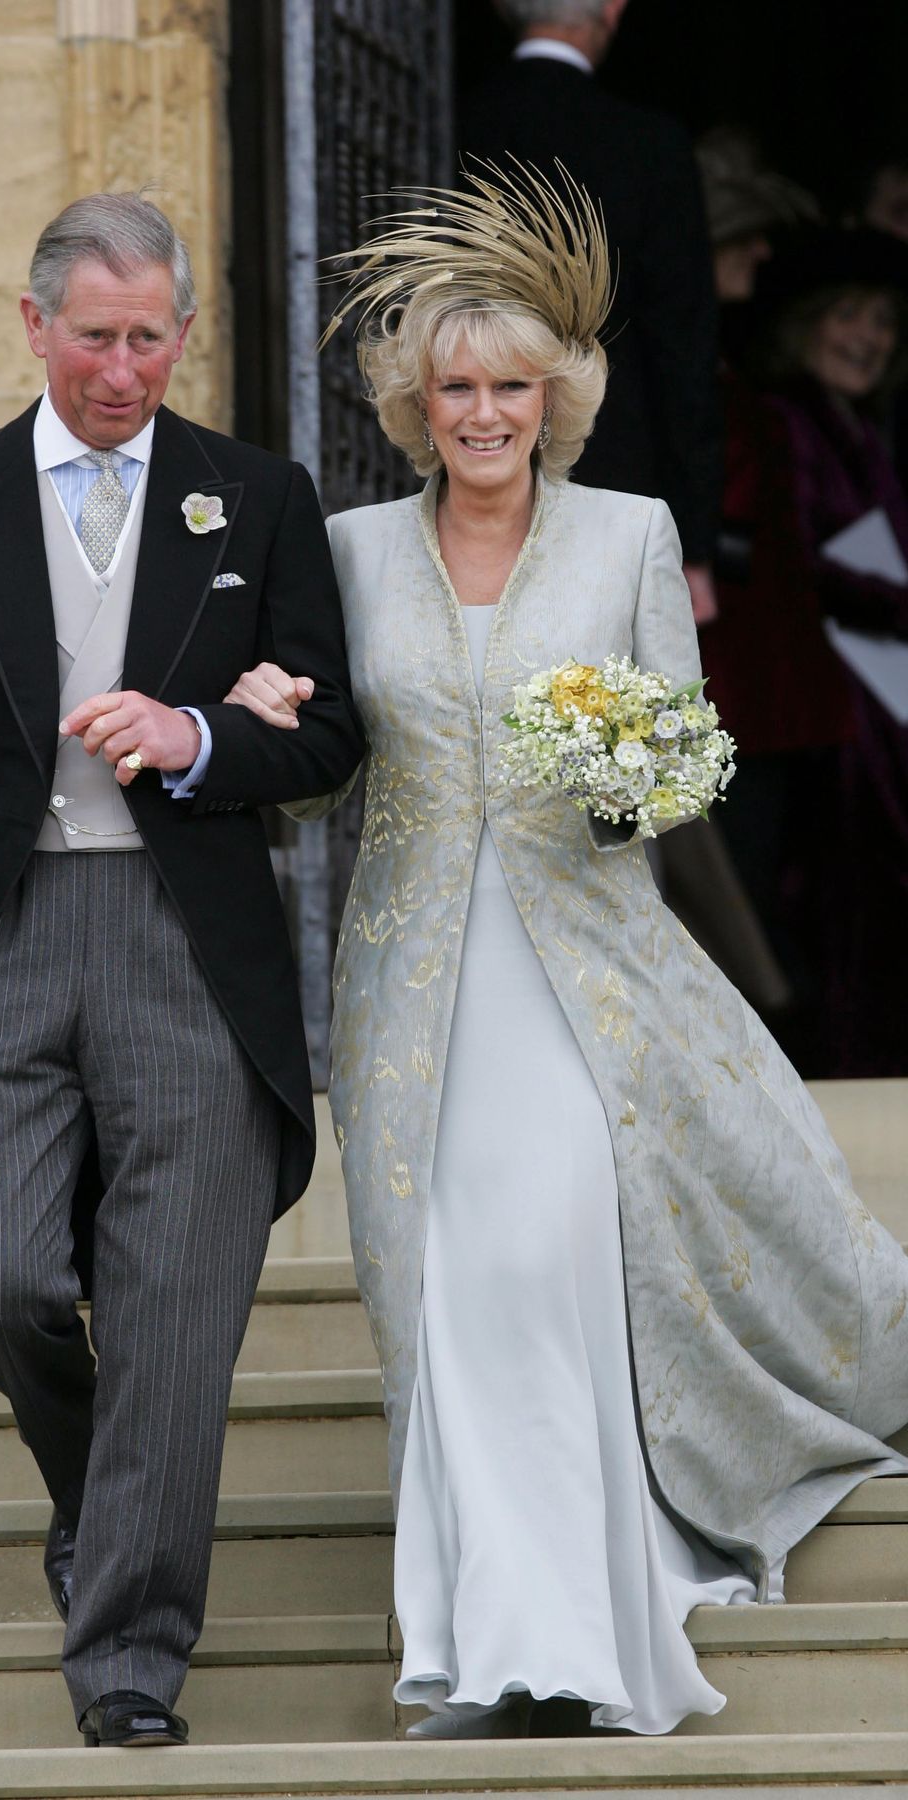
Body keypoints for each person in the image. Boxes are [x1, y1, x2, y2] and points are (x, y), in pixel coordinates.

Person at [225, 167, 908, 1738]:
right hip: (410, 993)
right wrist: (266, 725)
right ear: (415, 401)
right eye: (454, 387)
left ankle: (572, 1634)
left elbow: (688, 759)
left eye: (509, 387)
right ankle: (485, 1644)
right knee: (445, 1291)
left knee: (537, 1268)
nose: (481, 413)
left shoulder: (630, 533)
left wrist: (629, 773)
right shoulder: (346, 551)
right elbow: (331, 758)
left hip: (585, 975)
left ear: (557, 397)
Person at [0, 192, 363, 1748]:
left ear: (184, 334)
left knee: (176, 1315)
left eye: (151, 339)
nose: (124, 369)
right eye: (95, 337)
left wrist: (198, 735)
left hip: (191, 944)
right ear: (33, 324)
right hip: (6, 934)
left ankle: (126, 1654)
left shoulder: (258, 498)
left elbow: (326, 733)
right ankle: (95, 1491)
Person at [702, 227, 908, 1077]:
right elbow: (794, 567)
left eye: (885, 324)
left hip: (876, 687)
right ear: (807, 323)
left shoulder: (856, 425)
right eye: (849, 316)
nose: (869, 338)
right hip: (829, 700)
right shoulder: (783, 416)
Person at [462, 0, 720, 627]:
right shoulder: (648, 143)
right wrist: (695, 544)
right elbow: (681, 348)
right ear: (612, 8)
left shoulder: (449, 121)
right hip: (613, 463)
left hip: (462, 453)